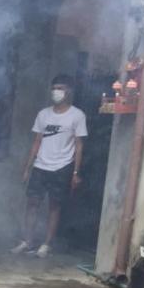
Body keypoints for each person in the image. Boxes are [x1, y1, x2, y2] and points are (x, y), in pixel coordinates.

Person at [13, 74, 86, 259]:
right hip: (40, 165)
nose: (57, 92)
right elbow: (36, 141)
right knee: (32, 204)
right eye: (54, 88)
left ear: (68, 91)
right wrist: (28, 167)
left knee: (55, 206)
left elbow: (79, 145)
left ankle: (46, 244)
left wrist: (76, 172)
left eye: (61, 88)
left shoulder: (77, 115)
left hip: (62, 167)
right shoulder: (43, 114)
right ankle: (27, 241)